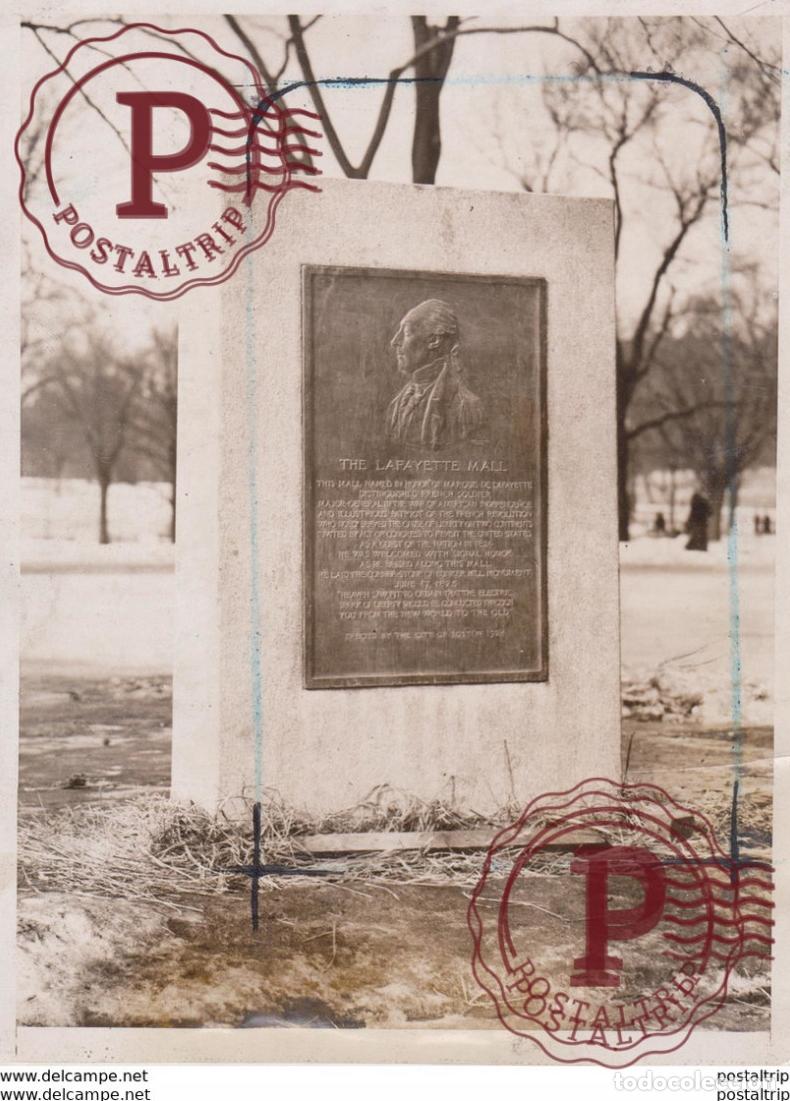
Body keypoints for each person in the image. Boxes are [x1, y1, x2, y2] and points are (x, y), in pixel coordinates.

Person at [386, 299, 485, 450]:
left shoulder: (466, 407)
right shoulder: (396, 404)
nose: (394, 341)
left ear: (434, 340)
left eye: (405, 333)